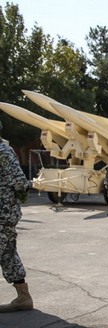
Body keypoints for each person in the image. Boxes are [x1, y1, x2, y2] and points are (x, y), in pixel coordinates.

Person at [0, 122, 34, 313]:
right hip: (5, 212)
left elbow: (21, 182)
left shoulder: (2, 151)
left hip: (2, 213)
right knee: (7, 255)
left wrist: (11, 201)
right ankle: (23, 297)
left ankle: (23, 297)